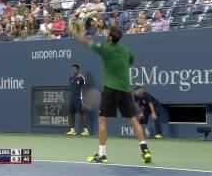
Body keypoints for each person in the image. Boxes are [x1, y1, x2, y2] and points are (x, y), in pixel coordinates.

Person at [74, 26, 152, 163]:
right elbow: (131, 62)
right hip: (125, 90)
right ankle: (145, 150)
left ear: (110, 37)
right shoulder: (125, 50)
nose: (105, 33)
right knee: (133, 120)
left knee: (102, 120)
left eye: (107, 32)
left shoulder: (105, 49)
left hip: (110, 90)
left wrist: (79, 34)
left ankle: (102, 154)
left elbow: (84, 41)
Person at [65, 64, 89, 136]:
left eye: (75, 69)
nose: (73, 70)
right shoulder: (71, 78)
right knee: (71, 114)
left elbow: (84, 89)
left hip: (79, 99)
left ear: (78, 70)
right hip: (72, 99)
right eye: (72, 69)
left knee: (82, 114)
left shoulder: (82, 78)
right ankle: (72, 130)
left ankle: (86, 130)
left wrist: (84, 99)